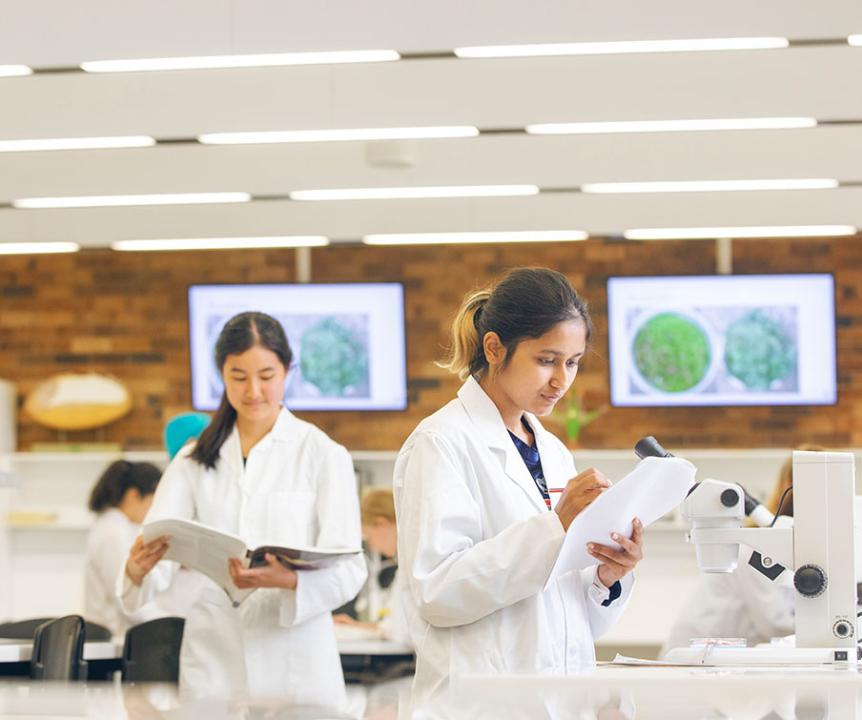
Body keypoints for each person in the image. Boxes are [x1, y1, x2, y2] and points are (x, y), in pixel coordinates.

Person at [393, 267, 644, 705]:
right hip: (479, 705)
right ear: (495, 348)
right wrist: (556, 527)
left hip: (560, 701)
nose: (561, 380)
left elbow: (570, 617)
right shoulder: (441, 442)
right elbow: (437, 593)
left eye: (572, 362)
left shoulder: (553, 453)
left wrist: (608, 576)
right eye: (546, 360)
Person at [120, 311, 367, 704]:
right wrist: (136, 571)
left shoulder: (323, 455)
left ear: (287, 371)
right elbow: (158, 553)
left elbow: (351, 569)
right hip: (215, 661)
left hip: (297, 665)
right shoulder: (192, 460)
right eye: (238, 377)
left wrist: (290, 581)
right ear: (222, 374)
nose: (253, 391)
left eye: (266, 376)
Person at [660, 449, 809, 657]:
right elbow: (775, 625)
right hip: (694, 654)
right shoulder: (755, 549)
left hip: (721, 657)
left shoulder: (789, 545)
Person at [85, 460, 164, 637]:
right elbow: (124, 595)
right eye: (154, 500)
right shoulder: (112, 532)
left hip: (117, 636)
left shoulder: (117, 528)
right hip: (112, 638)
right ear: (133, 495)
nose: (156, 509)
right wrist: (169, 623)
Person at [334, 488, 411, 645]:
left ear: (381, 523)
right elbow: (395, 624)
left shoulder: (413, 565)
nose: (372, 546)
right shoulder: (405, 565)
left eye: (369, 537)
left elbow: (401, 632)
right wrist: (356, 626)